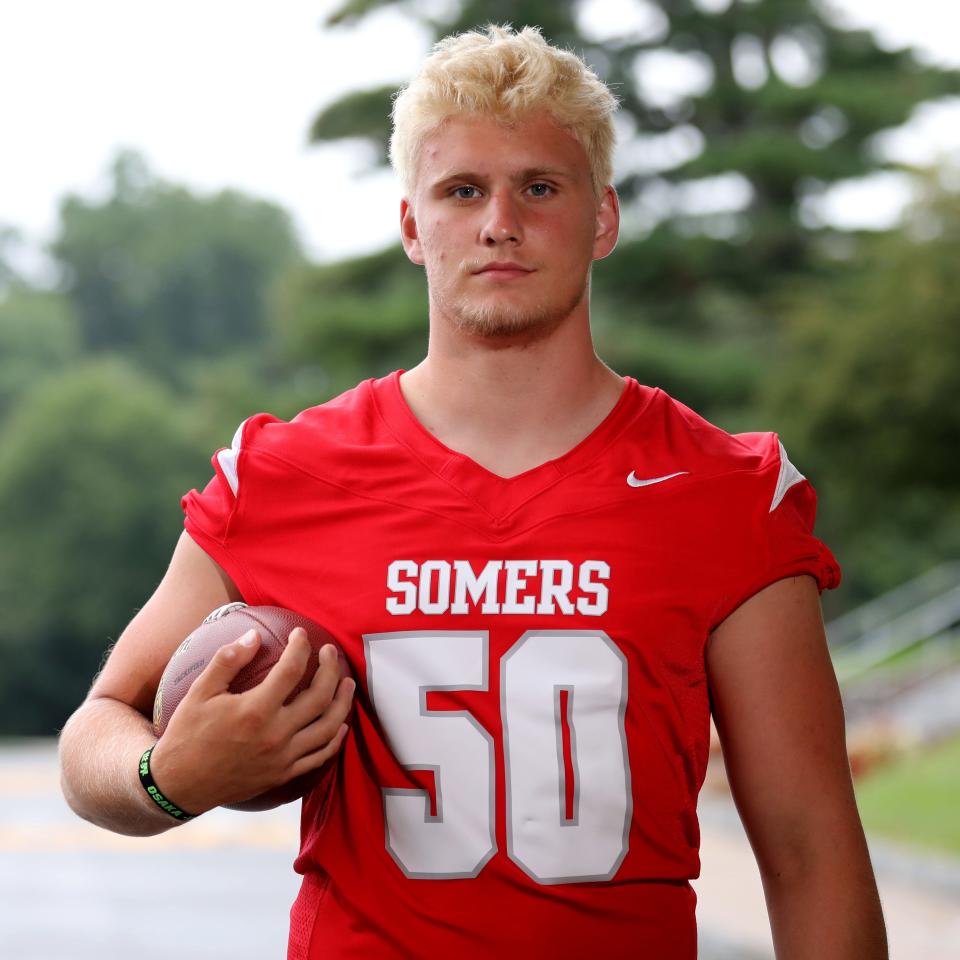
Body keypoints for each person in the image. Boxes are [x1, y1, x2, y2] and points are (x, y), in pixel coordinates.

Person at [59, 24, 888, 960]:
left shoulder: (724, 493)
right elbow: (95, 730)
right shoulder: (288, 475)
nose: (500, 221)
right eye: (462, 190)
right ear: (413, 225)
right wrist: (168, 776)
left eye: (539, 186)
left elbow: (810, 848)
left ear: (603, 217)